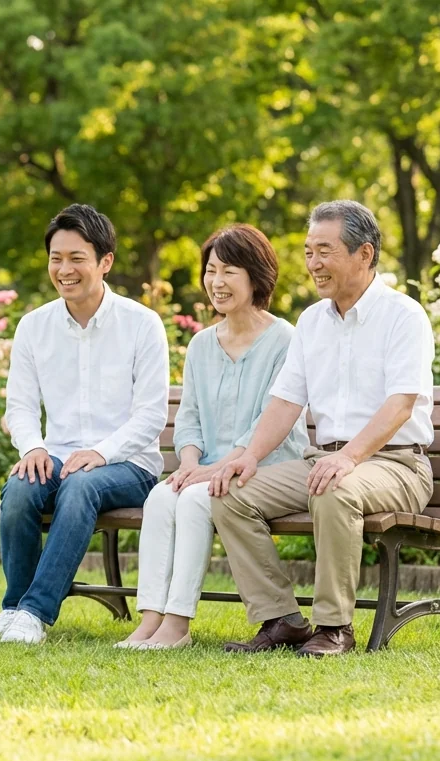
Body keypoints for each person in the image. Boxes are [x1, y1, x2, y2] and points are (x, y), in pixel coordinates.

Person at [210, 200, 435, 658]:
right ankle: (283, 621)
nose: (313, 263)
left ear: (364, 254)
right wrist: (249, 456)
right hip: (325, 461)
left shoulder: (403, 316)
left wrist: (349, 457)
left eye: (325, 251)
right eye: (309, 251)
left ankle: (334, 627)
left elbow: (400, 405)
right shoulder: (312, 322)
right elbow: (286, 401)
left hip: (396, 465)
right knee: (230, 493)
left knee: (334, 490)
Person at [0, 203, 169, 645]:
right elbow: (21, 405)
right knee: (22, 488)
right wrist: (32, 448)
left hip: (129, 466)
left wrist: (101, 453)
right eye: (56, 258)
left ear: (105, 262)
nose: (64, 269)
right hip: (58, 455)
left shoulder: (143, 324)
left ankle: (35, 612)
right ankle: (13, 607)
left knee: (82, 484)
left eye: (76, 258)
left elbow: (151, 415)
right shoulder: (34, 326)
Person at [118, 225, 308, 651]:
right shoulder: (203, 344)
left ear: (256, 275)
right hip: (206, 467)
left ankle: (177, 624)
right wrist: (189, 463)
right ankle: (150, 619)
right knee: (161, 496)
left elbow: (267, 422)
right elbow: (189, 418)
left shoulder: (286, 340)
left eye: (229, 272)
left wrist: (216, 469)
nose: (216, 282)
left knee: (194, 500)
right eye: (211, 270)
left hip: (264, 467)